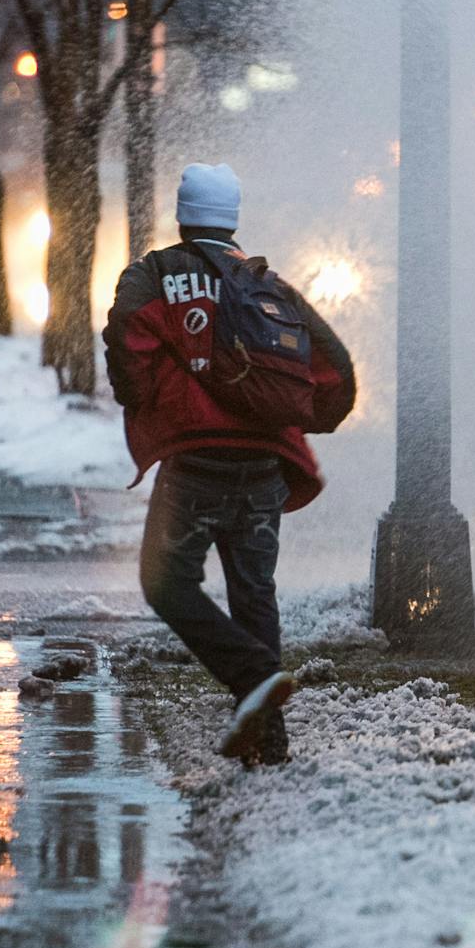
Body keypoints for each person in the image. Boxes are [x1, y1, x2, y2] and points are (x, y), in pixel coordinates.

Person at [102, 163, 356, 766]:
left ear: (183, 216)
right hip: (265, 466)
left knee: (165, 582)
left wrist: (150, 403)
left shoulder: (155, 274)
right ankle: (267, 742)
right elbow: (336, 369)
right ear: (234, 220)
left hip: (196, 464)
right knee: (253, 592)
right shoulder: (269, 285)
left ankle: (251, 679)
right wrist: (292, 418)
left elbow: (124, 344)